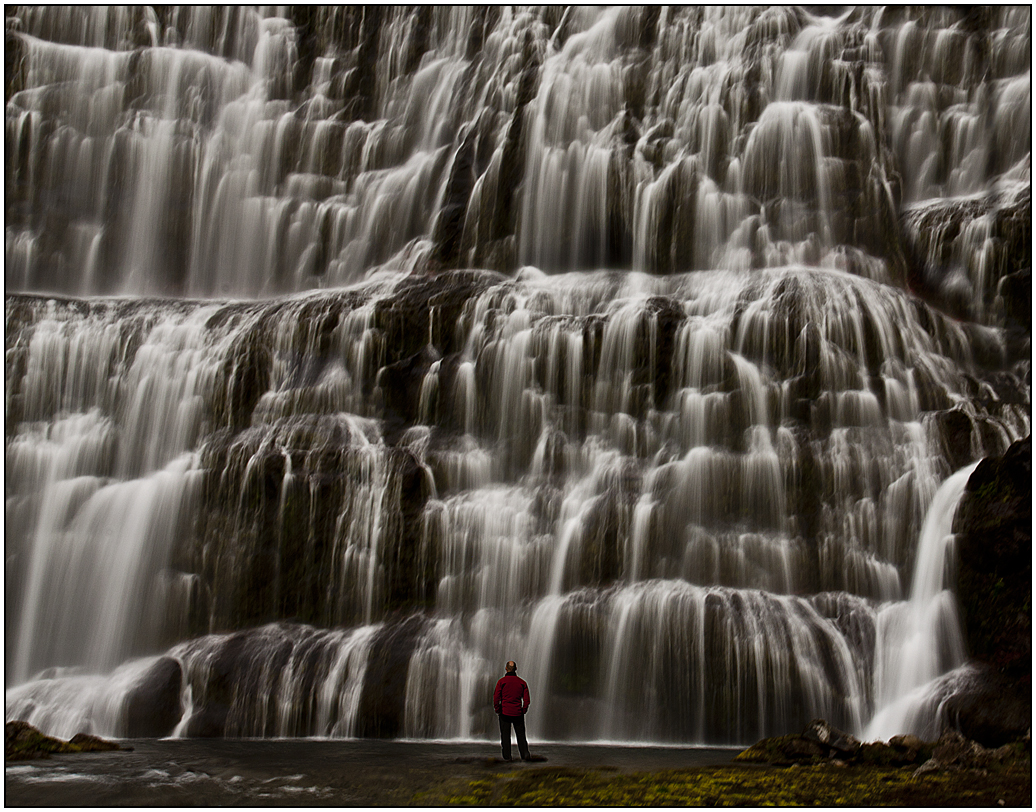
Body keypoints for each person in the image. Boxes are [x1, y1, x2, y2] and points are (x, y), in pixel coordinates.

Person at [493, 660, 531, 761]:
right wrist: (523, 710)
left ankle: (507, 757)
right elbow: (527, 700)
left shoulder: (501, 682)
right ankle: (525, 755)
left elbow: (496, 698)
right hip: (518, 712)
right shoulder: (522, 683)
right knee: (521, 736)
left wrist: (498, 709)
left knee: (505, 736)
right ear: (516, 669)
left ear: (506, 669)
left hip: (505, 712)